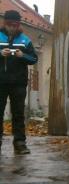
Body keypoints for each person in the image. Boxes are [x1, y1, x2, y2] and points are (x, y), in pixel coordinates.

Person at [1, 10, 38, 155]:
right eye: (9, 24)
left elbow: (34, 59)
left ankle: (20, 143)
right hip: (1, 82)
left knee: (18, 113)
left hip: (18, 83)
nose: (12, 27)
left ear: (19, 25)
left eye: (15, 24)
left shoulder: (25, 40)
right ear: (5, 23)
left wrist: (23, 55)